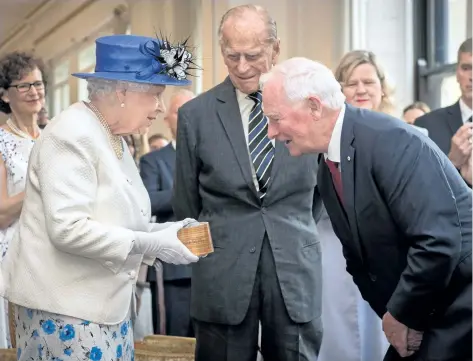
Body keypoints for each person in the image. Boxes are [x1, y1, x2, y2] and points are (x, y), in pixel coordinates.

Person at [0, 34, 199, 361]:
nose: (161, 108)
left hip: (103, 310)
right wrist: (152, 244)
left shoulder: (112, 136)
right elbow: (68, 229)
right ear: (122, 92)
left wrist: (167, 233)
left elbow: (114, 221)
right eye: (155, 95)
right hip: (66, 313)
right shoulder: (72, 134)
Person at [260, 56, 472, 361]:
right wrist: (394, 316)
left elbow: (437, 241)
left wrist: (400, 316)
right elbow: (359, 257)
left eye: (276, 118)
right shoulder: (328, 162)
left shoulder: (391, 141)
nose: (271, 131)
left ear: (314, 106)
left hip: (459, 309)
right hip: (426, 308)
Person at [173, 5, 323, 361]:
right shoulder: (195, 116)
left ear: (275, 49)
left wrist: (289, 230)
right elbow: (186, 206)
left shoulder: (310, 109)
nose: (241, 67)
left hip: (294, 274)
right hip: (221, 279)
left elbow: (318, 197)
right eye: (231, 56)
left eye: (253, 56)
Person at [0, 51, 47, 348]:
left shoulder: (53, 136)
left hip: (51, 247)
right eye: (24, 86)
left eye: (38, 84)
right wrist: (43, 185)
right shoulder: (1, 141)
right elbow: (1, 213)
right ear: (4, 95)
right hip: (13, 252)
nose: (34, 91)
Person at [140, 89, 195, 337]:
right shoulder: (154, 161)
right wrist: (190, 190)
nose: (186, 117)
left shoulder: (214, 157)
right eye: (179, 111)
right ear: (167, 119)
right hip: (174, 268)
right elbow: (148, 201)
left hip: (214, 266)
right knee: (173, 340)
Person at [415, 38, 472, 185]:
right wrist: (452, 163)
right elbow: (418, 188)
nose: (472, 77)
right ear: (457, 73)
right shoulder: (427, 126)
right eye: (466, 68)